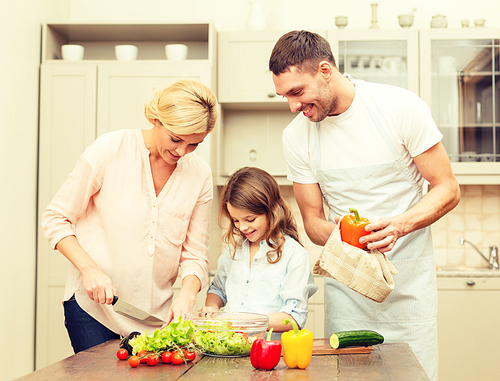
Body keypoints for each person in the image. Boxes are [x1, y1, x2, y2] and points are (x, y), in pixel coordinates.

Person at [269, 30, 460, 380]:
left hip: (409, 291)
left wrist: (399, 225)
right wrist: (349, 234)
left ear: (325, 71)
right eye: (285, 96)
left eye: (297, 92)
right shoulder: (296, 136)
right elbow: (312, 220)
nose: (293, 106)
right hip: (348, 297)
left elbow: (447, 188)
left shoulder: (399, 107)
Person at [42, 79, 218, 353]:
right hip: (94, 310)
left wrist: (186, 295)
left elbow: (195, 255)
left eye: (194, 144)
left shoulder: (200, 175)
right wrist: (89, 269)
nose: (181, 152)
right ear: (154, 119)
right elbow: (55, 217)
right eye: (176, 139)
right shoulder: (109, 149)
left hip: (155, 319)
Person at [202, 167, 318, 335]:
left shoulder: (294, 255)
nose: (242, 227)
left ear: (271, 211)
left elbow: (294, 317)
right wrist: (212, 307)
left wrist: (247, 321)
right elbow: (217, 290)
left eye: (250, 219)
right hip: (231, 348)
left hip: (271, 353)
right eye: (235, 220)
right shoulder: (234, 252)